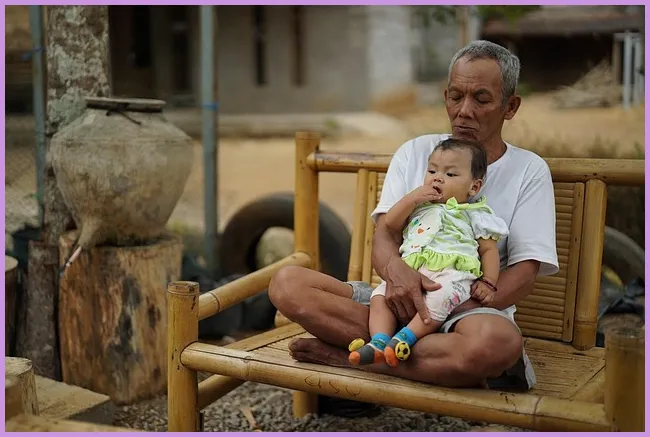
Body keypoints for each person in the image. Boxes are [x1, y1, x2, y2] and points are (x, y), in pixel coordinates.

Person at [268, 40, 558, 398]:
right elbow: (385, 235)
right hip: (395, 299)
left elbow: (525, 273)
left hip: (467, 311)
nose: (464, 111)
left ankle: (351, 358)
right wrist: (398, 277)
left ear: (510, 107)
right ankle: (424, 358)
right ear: (446, 96)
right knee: (287, 284)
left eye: (481, 99)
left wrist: (445, 308)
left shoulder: (529, 170)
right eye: (456, 96)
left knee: (496, 344)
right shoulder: (416, 152)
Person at [348, 138, 509, 368]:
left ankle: (405, 338)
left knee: (442, 298)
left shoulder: (476, 214)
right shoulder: (418, 207)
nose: (437, 178)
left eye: (450, 174)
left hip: (451, 274)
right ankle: (379, 342)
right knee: (380, 296)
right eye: (432, 171)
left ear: (474, 187)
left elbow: (488, 250)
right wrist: (411, 199)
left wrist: (489, 282)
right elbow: (390, 224)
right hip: (411, 270)